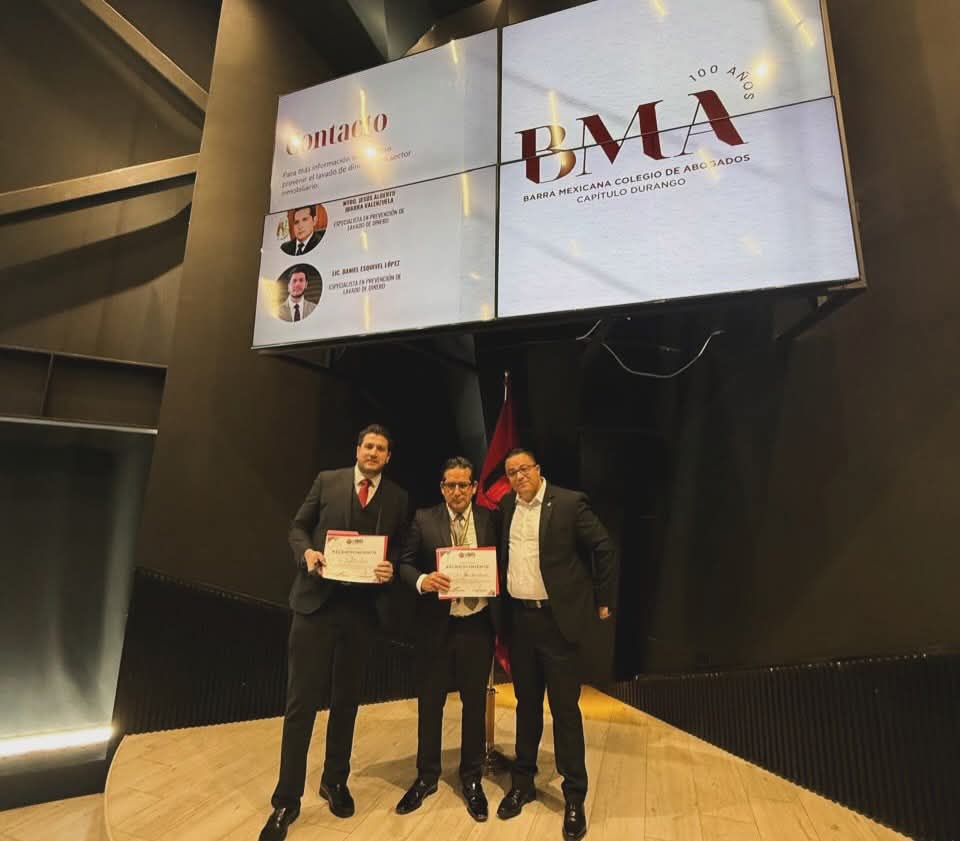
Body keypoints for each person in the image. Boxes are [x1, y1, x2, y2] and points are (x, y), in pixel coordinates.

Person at [259, 425, 410, 841]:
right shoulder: (328, 481)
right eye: (368, 445)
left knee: (346, 702)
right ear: (357, 449)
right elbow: (297, 528)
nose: (373, 452)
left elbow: (400, 547)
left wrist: (392, 566)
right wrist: (306, 553)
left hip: (362, 612)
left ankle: (334, 781)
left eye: (381, 448)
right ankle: (286, 800)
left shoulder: (398, 498)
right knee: (301, 704)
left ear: (388, 456)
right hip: (315, 606)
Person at [495, 448, 617, 841]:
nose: (519, 476)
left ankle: (574, 796)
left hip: (557, 623)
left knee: (565, 711)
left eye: (524, 469)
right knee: (526, 706)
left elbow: (603, 546)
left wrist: (603, 599)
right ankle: (523, 783)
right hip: (520, 622)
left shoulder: (568, 502)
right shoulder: (506, 507)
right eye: (511, 472)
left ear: (538, 469)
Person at [395, 457, 501, 822]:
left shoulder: (490, 520)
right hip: (435, 627)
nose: (457, 491)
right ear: (442, 488)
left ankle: (471, 777)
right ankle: (426, 776)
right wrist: (423, 580)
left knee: (474, 704)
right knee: (430, 703)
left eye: (463, 485)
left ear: (474, 488)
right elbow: (404, 564)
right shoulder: (424, 519)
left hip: (477, 625)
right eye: (450, 485)